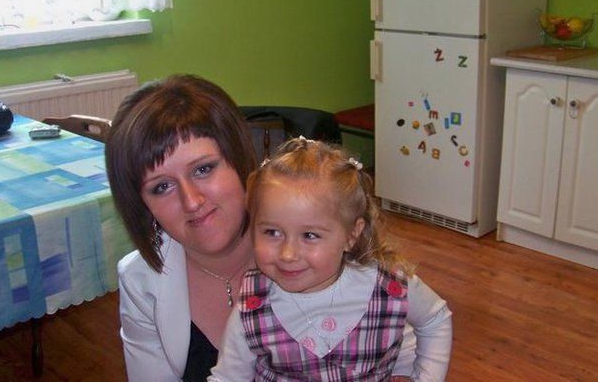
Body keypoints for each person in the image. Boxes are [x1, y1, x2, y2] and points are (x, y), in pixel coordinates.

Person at [209, 137, 453, 381]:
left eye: (309, 235)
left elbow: (435, 319)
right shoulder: (253, 308)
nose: (288, 254)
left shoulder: (388, 287)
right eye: (272, 232)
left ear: (351, 235)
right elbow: (227, 378)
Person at [105, 75, 259, 381]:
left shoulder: (316, 244)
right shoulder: (140, 282)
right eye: (162, 187)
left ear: (239, 158)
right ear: (143, 205)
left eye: (203, 169)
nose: (192, 201)